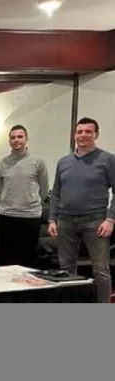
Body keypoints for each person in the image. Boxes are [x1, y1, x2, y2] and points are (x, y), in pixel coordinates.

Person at [48, 117, 115, 303]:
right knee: (66, 269)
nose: (83, 135)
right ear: (74, 135)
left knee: (100, 270)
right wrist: (52, 219)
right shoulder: (64, 162)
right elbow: (56, 192)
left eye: (88, 132)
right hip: (66, 222)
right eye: (79, 132)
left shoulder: (108, 160)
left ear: (96, 135)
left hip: (96, 222)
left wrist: (110, 219)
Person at [0, 125, 49, 268]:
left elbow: (44, 190)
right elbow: (0, 189)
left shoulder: (38, 162)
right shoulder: (2, 164)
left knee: (28, 259)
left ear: (26, 139)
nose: (16, 140)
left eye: (20, 137)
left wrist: (31, 202)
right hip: (6, 216)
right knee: (6, 259)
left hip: (30, 217)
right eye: (13, 137)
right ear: (9, 141)